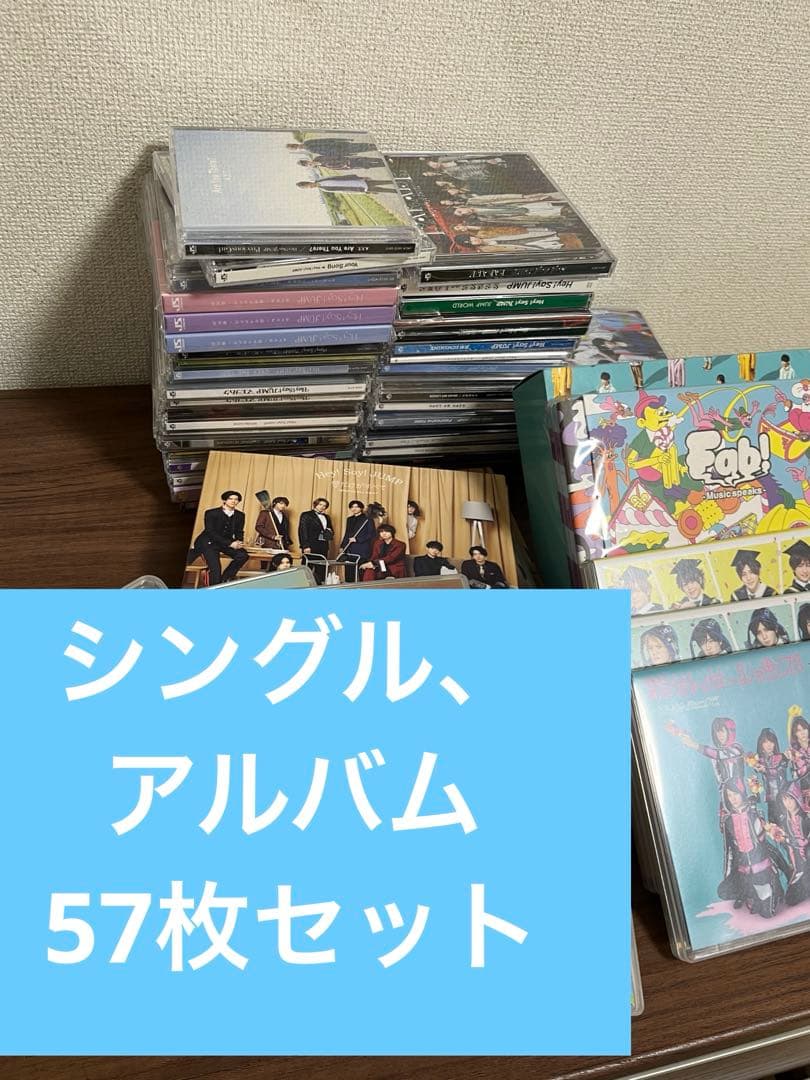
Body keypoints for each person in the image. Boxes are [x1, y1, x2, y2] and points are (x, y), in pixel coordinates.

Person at [717, 785, 786, 918]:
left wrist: (754, 815)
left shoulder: (756, 813)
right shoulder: (728, 821)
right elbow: (728, 850)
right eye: (729, 795)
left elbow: (763, 839)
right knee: (723, 891)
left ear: (742, 793)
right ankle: (750, 893)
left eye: (735, 794)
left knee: (767, 913)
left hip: (761, 868)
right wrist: (728, 875)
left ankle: (772, 887)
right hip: (743, 871)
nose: (733, 799)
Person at [192, 490, 248, 586]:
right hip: (209, 542)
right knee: (216, 571)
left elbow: (239, 531)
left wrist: (239, 542)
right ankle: (214, 586)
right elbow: (210, 532)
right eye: (230, 499)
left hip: (225, 543)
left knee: (243, 555)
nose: (233, 501)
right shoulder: (211, 513)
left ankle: (224, 580)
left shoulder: (240, 515)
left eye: (236, 499)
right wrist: (230, 543)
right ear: (224, 500)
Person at [749, 729, 791, 826]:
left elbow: (779, 771)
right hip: (770, 800)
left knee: (786, 825)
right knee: (773, 826)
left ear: (775, 743)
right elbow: (753, 779)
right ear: (761, 744)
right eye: (765, 742)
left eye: (771, 741)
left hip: (783, 798)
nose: (768, 745)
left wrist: (765, 770)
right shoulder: (758, 761)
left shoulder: (782, 757)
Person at [337, 500, 377, 583]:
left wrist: (357, 539)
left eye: (356, 507)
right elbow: (347, 533)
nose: (354, 509)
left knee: (361, 569)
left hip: (362, 548)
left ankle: (362, 587)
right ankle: (349, 586)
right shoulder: (349, 519)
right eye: (352, 507)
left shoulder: (368, 519)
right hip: (350, 547)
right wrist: (342, 546)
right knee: (349, 568)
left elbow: (372, 534)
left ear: (361, 508)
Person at [298, 498, 334, 585]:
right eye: (320, 504)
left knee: (321, 567)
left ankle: (319, 586)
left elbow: (331, 531)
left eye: (324, 506)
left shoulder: (327, 517)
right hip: (310, 545)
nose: (322, 507)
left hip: (323, 545)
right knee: (307, 567)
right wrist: (305, 546)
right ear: (315, 505)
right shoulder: (306, 515)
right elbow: (302, 531)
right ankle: (302, 585)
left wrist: (329, 533)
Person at [297, 175, 399, 194]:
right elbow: (344, 191)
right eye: (307, 188)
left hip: (361, 182)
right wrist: (365, 193)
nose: (310, 187)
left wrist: (360, 177)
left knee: (387, 182)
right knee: (388, 191)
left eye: (308, 185)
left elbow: (342, 177)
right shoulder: (324, 189)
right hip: (361, 189)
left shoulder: (323, 179)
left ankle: (400, 182)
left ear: (308, 182)